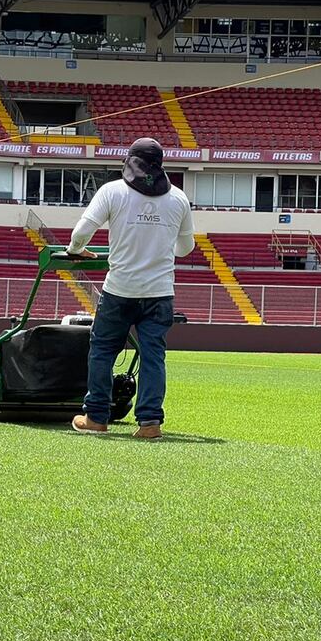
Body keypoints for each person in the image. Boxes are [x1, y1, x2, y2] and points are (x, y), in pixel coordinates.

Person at [66, 138, 195, 440]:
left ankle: (96, 418)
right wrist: (160, 245)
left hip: (120, 290)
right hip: (159, 292)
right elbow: (186, 248)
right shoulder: (178, 198)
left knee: (103, 351)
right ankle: (149, 423)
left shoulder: (112, 191)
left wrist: (76, 250)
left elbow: (81, 233)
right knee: (153, 356)